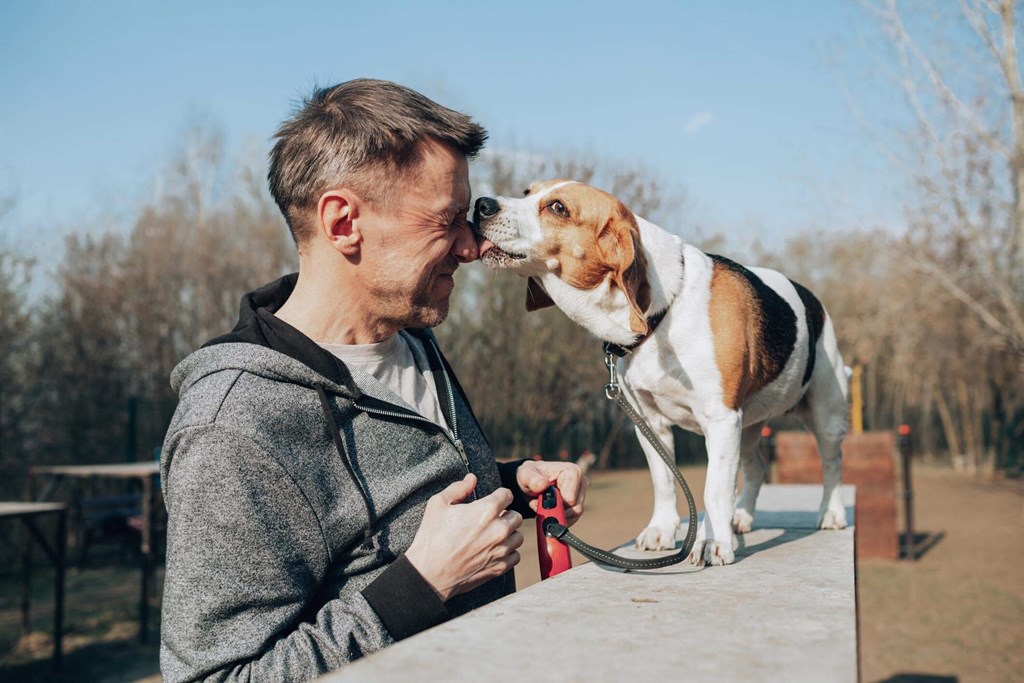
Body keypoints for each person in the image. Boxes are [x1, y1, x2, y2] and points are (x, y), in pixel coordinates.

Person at [159, 79, 589, 682]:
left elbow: (398, 510)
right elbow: (217, 676)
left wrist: (511, 482)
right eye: (446, 220)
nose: (471, 246)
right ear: (343, 223)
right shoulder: (233, 430)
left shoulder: (410, 339)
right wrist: (420, 586)